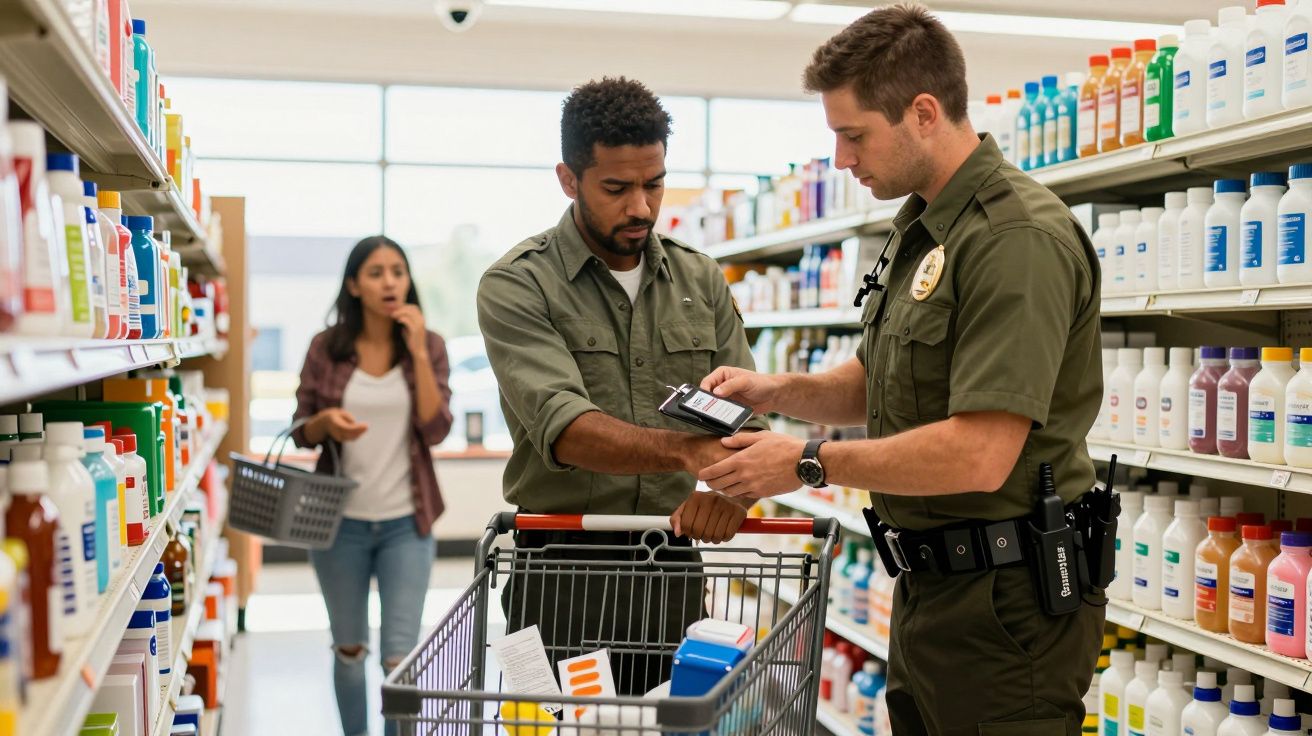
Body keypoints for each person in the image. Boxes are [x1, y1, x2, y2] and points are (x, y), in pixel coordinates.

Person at [695, 6, 1104, 735]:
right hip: (930, 590)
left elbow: (981, 452)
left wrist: (808, 464)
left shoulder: (1015, 239)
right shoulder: (921, 224)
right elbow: (881, 378)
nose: (844, 160)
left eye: (854, 136)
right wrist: (774, 390)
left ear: (922, 112)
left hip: (1007, 610)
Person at [476, 77, 767, 695]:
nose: (640, 206)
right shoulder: (518, 285)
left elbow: (750, 418)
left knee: (669, 725)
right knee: (550, 730)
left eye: (654, 184)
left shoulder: (699, 278)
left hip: (671, 566)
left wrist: (734, 495)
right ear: (568, 178)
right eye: (616, 188)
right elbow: (565, 425)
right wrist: (688, 451)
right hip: (558, 571)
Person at [292, 236, 453, 736]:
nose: (390, 282)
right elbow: (300, 429)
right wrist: (326, 423)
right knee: (348, 650)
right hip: (339, 525)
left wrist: (419, 354)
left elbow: (436, 428)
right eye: (377, 272)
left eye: (398, 271)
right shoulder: (327, 347)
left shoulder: (429, 345)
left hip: (408, 522)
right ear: (354, 285)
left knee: (399, 662)